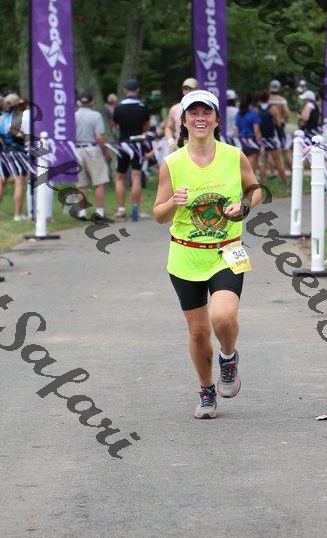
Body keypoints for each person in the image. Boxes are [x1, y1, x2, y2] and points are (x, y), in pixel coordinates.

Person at [153, 89, 262, 419]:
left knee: (223, 317)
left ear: (216, 119)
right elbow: (158, 214)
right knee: (199, 332)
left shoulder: (234, 156)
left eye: (207, 112)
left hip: (227, 251)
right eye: (193, 113)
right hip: (185, 256)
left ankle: (228, 357)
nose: (200, 118)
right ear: (184, 121)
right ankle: (206, 389)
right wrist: (173, 202)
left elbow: (255, 190)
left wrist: (244, 207)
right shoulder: (172, 163)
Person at [112, 79, 150, 221]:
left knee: (120, 177)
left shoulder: (118, 107)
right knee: (136, 177)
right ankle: (136, 209)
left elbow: (115, 125)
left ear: (124, 91)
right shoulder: (143, 107)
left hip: (123, 144)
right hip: (137, 144)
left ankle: (121, 210)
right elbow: (147, 126)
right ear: (138, 90)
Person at [74, 91, 112, 223]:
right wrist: (105, 150)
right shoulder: (96, 115)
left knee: (81, 183)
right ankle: (99, 212)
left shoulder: (73, 116)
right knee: (99, 182)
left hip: (77, 149)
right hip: (92, 149)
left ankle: (82, 212)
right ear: (91, 102)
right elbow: (99, 137)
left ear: (79, 102)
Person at [0, 93, 28, 221]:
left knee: (1, 183)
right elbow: (20, 135)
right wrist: (24, 137)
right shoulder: (18, 117)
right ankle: (18, 214)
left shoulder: (1, 118)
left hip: (4, 153)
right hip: (18, 153)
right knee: (19, 184)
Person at [258, 90, 288, 187]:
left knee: (263, 162)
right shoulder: (273, 108)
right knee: (278, 161)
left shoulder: (256, 109)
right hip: (271, 138)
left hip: (262, 139)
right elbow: (278, 124)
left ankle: (264, 184)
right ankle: (286, 182)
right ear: (268, 99)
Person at [165, 78, 198, 150]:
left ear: (197, 90)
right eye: (185, 89)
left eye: (190, 89)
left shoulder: (203, 108)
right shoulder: (175, 109)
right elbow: (168, 127)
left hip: (200, 147)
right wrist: (170, 140)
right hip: (180, 147)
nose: (188, 91)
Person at [235, 95, 262, 172]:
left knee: (244, 162)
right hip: (251, 140)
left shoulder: (238, 115)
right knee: (252, 162)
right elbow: (256, 130)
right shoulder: (253, 114)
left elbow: (236, 129)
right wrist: (260, 142)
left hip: (241, 140)